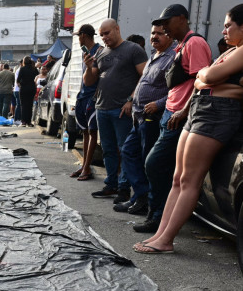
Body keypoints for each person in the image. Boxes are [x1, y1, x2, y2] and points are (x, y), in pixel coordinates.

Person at [134, 4, 243, 254]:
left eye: (228, 26)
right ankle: (160, 234)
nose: (223, 31)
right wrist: (207, 77)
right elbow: (200, 81)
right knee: (178, 178)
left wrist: (206, 75)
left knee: (190, 179)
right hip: (201, 107)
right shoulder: (233, 51)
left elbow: (208, 77)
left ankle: (166, 240)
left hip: (217, 112)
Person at [135, 4, 213, 233]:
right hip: (170, 113)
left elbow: (202, 83)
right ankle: (159, 216)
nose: (165, 28)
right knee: (165, 168)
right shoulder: (182, 44)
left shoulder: (195, 43)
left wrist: (183, 112)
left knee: (154, 163)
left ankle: (158, 216)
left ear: (181, 19)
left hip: (178, 116)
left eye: (167, 23)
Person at [83, 18, 148, 204]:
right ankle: (111, 184)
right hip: (102, 108)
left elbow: (145, 77)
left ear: (117, 29)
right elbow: (89, 81)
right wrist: (88, 67)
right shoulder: (101, 53)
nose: (104, 37)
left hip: (121, 110)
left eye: (107, 33)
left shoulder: (133, 49)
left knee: (124, 149)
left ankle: (123, 188)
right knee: (108, 149)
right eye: (101, 35)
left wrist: (131, 100)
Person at [114, 25, 175, 216]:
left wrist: (158, 104)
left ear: (169, 35)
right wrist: (132, 100)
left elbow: (178, 90)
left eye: (159, 33)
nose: (154, 37)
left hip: (154, 118)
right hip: (139, 117)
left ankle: (146, 202)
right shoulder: (154, 56)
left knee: (148, 161)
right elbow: (143, 82)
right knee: (128, 152)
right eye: (153, 33)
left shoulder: (173, 57)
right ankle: (140, 196)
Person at [70, 24, 102, 181]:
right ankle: (84, 165)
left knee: (92, 131)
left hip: (93, 97)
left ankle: (87, 168)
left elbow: (98, 76)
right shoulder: (86, 52)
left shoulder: (99, 51)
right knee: (85, 132)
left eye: (78, 36)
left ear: (83, 35)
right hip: (83, 96)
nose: (78, 39)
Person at [16, 57, 38, 126]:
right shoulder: (34, 69)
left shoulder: (22, 69)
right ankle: (29, 122)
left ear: (24, 62)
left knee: (23, 105)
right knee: (30, 105)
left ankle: (23, 121)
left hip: (24, 89)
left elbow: (18, 80)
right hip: (32, 89)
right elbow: (37, 77)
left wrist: (20, 85)